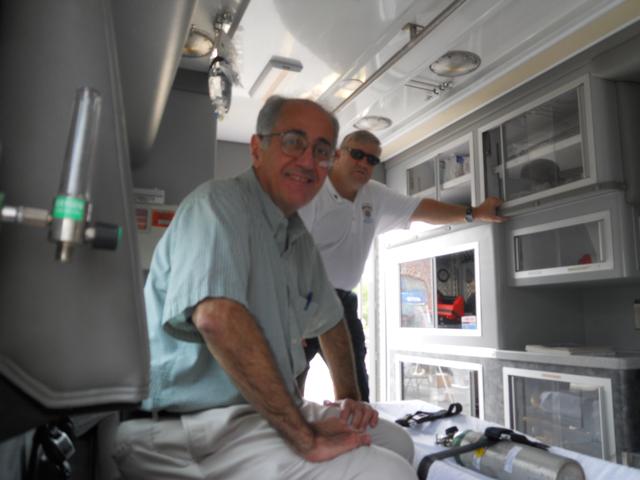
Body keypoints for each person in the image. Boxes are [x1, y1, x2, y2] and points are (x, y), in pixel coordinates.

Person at [112, 98, 416, 479]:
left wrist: (350, 401)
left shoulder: (296, 237)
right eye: (293, 142)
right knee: (386, 473)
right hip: (190, 427)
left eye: (321, 151)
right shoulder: (218, 205)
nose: (308, 161)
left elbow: (331, 320)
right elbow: (217, 318)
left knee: (398, 443)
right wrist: (306, 438)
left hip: (257, 414)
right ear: (258, 149)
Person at [299, 129, 505, 402]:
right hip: (299, 299)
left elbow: (421, 209)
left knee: (355, 398)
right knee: (283, 395)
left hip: (340, 306)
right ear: (337, 155)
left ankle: (353, 441)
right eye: (357, 154)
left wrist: (474, 213)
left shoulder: (375, 195)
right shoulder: (310, 193)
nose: (364, 163)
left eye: (372, 160)